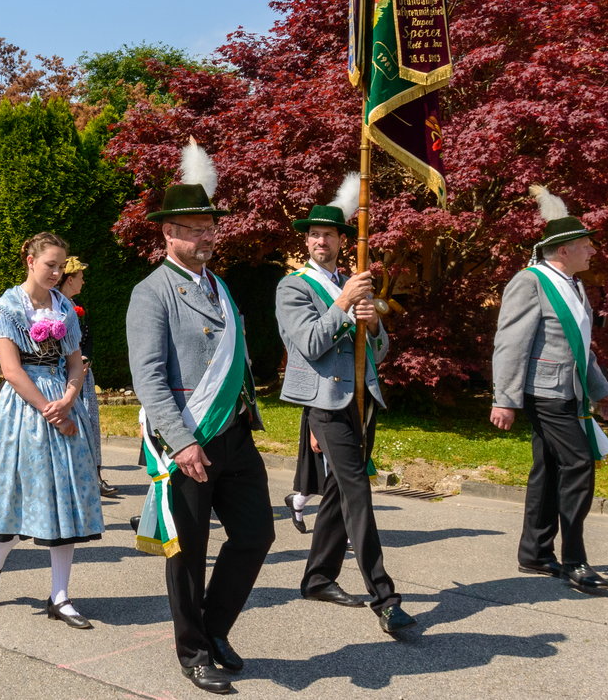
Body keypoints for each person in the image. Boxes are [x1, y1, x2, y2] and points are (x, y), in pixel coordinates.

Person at [127, 147, 272, 694]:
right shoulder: (150, 293)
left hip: (233, 433)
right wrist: (182, 442)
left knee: (256, 535)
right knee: (188, 553)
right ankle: (192, 651)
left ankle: (213, 630)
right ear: (167, 234)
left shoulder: (221, 284)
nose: (207, 237)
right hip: (187, 440)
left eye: (211, 228)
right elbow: (149, 378)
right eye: (194, 230)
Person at [277, 182, 410, 635]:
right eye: (314, 234)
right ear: (307, 241)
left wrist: (372, 328)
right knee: (357, 493)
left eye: (329, 234)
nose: (321, 241)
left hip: (362, 400)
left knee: (338, 492)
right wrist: (344, 303)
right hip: (325, 405)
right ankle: (385, 597)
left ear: (341, 241)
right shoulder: (292, 287)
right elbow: (311, 344)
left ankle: (317, 578)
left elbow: (379, 349)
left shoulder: (351, 284)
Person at [0, 232, 102, 629]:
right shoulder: (8, 306)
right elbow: (10, 370)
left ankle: (60, 596)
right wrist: (48, 408)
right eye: (51, 265)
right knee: (21, 498)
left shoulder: (65, 307)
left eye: (62, 266)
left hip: (61, 398)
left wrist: (69, 397)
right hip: (24, 408)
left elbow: (76, 363)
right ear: (30, 260)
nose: (57, 273)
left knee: (67, 497)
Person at [491, 187, 608, 591]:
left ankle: (535, 552)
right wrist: (505, 399)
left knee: (547, 470)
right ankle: (575, 559)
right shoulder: (531, 281)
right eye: (586, 246)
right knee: (579, 464)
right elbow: (510, 343)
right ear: (563, 250)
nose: (592, 252)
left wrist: (602, 389)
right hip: (544, 393)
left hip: (570, 390)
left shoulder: (575, 286)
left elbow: (582, 348)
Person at [57, 256, 117, 498]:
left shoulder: (78, 306)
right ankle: (72, 477)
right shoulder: (55, 306)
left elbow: (88, 337)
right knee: (70, 422)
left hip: (82, 371)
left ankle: (95, 475)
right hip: (63, 375)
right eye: (81, 276)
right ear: (70, 279)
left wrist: (85, 358)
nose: (84, 280)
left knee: (90, 420)